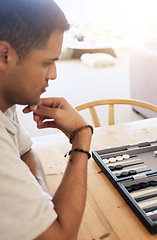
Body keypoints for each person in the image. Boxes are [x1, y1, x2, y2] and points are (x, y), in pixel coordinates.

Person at [0, 0, 93, 239]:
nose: (53, 75)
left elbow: (25, 152)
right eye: (46, 63)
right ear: (4, 55)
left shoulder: (5, 100)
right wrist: (81, 135)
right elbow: (62, 237)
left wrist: (41, 198)